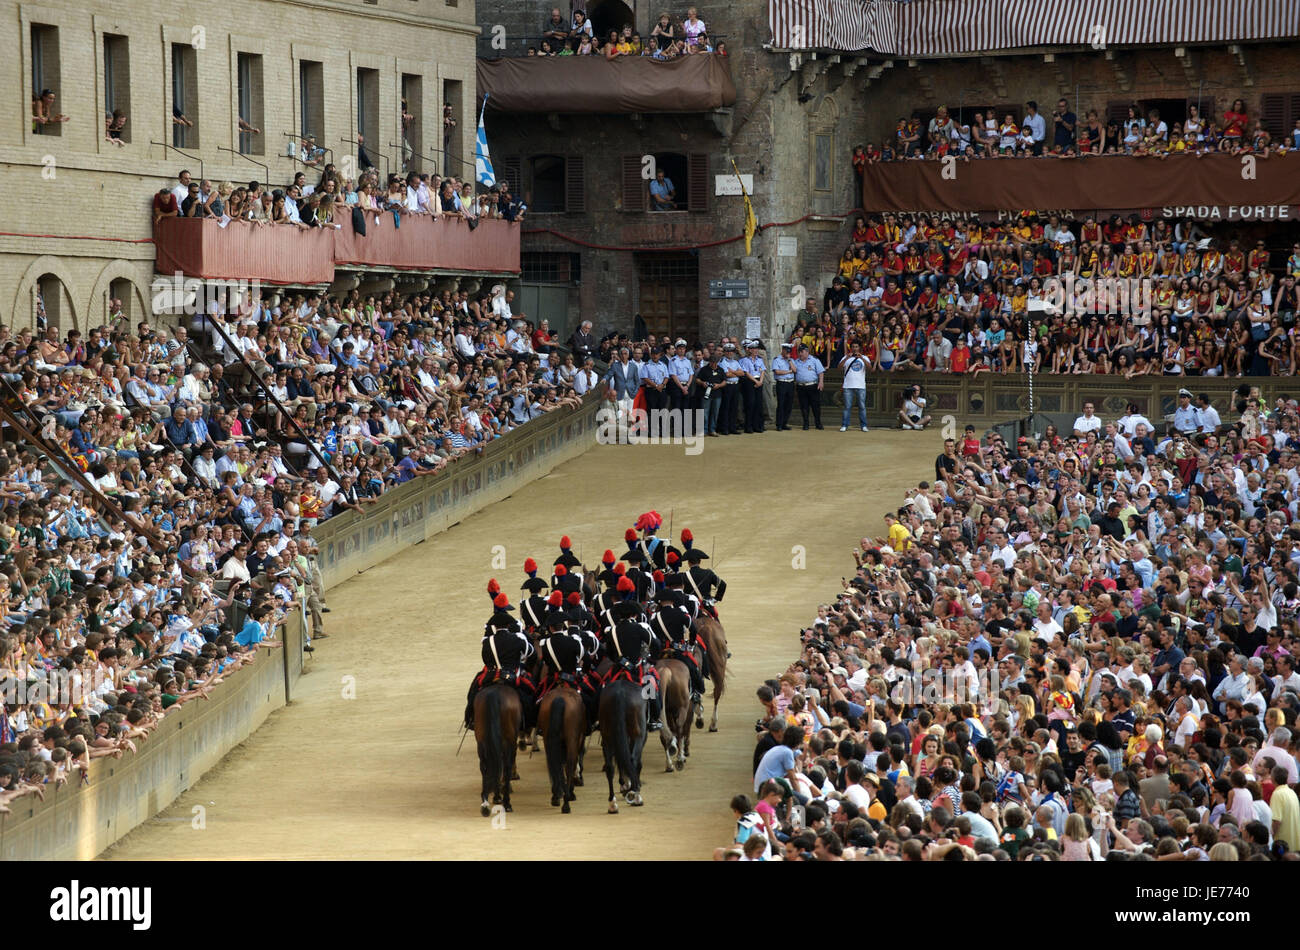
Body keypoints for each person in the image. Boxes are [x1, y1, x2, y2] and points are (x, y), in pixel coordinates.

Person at [838, 340, 870, 432]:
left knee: (862, 406)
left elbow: (870, 369)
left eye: (856, 347)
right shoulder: (846, 357)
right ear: (851, 348)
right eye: (853, 347)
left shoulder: (864, 357)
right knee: (847, 406)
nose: (855, 348)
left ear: (859, 348)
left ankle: (863, 425)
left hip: (860, 385)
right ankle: (844, 425)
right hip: (848, 385)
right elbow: (839, 368)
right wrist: (846, 358)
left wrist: (862, 359)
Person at [792, 344, 825, 430]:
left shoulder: (814, 360)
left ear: (807, 352)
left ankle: (818, 423)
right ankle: (806, 423)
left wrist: (821, 382)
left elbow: (820, 372)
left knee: (816, 406)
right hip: (801, 386)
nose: (800, 354)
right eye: (799, 352)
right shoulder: (796, 361)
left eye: (802, 352)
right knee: (804, 406)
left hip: (813, 386)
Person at [772, 342, 796, 431]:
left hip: (790, 383)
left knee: (788, 404)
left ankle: (784, 423)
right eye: (786, 351)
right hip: (781, 383)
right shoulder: (777, 360)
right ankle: (779, 424)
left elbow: (795, 370)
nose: (787, 353)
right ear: (783, 350)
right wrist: (788, 372)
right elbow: (777, 372)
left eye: (789, 352)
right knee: (781, 404)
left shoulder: (791, 360)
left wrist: (789, 360)